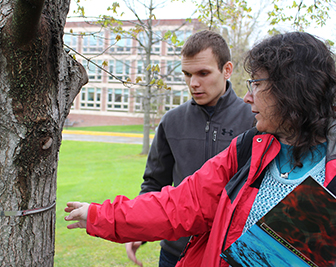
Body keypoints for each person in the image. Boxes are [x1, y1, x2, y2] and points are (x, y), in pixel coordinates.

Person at [64, 31, 336, 267]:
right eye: (188, 74)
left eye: (257, 84)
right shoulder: (247, 148)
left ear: (291, 89)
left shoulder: (327, 167)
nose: (248, 96)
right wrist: (101, 215)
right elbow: (179, 204)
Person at [126, 30, 255, 267]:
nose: (193, 83)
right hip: (176, 253)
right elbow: (154, 184)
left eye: (203, 73)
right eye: (187, 74)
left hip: (233, 255)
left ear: (227, 70)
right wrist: (139, 227)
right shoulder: (171, 121)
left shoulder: (255, 121)